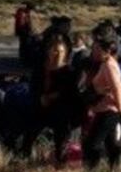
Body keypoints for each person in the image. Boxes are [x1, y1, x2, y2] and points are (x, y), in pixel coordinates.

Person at [23, 32, 80, 161]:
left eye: (61, 51)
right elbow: (33, 87)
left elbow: (71, 93)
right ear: (48, 51)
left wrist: (54, 96)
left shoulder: (69, 71)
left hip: (60, 111)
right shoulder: (40, 69)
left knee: (60, 140)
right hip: (40, 107)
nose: (58, 54)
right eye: (55, 51)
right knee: (29, 135)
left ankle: (59, 163)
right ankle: (25, 159)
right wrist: (40, 98)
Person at [83, 22, 121, 170]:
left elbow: (117, 88)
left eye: (95, 48)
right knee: (111, 143)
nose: (92, 51)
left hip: (109, 110)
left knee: (92, 143)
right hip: (106, 109)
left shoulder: (108, 65)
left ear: (105, 49)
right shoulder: (107, 63)